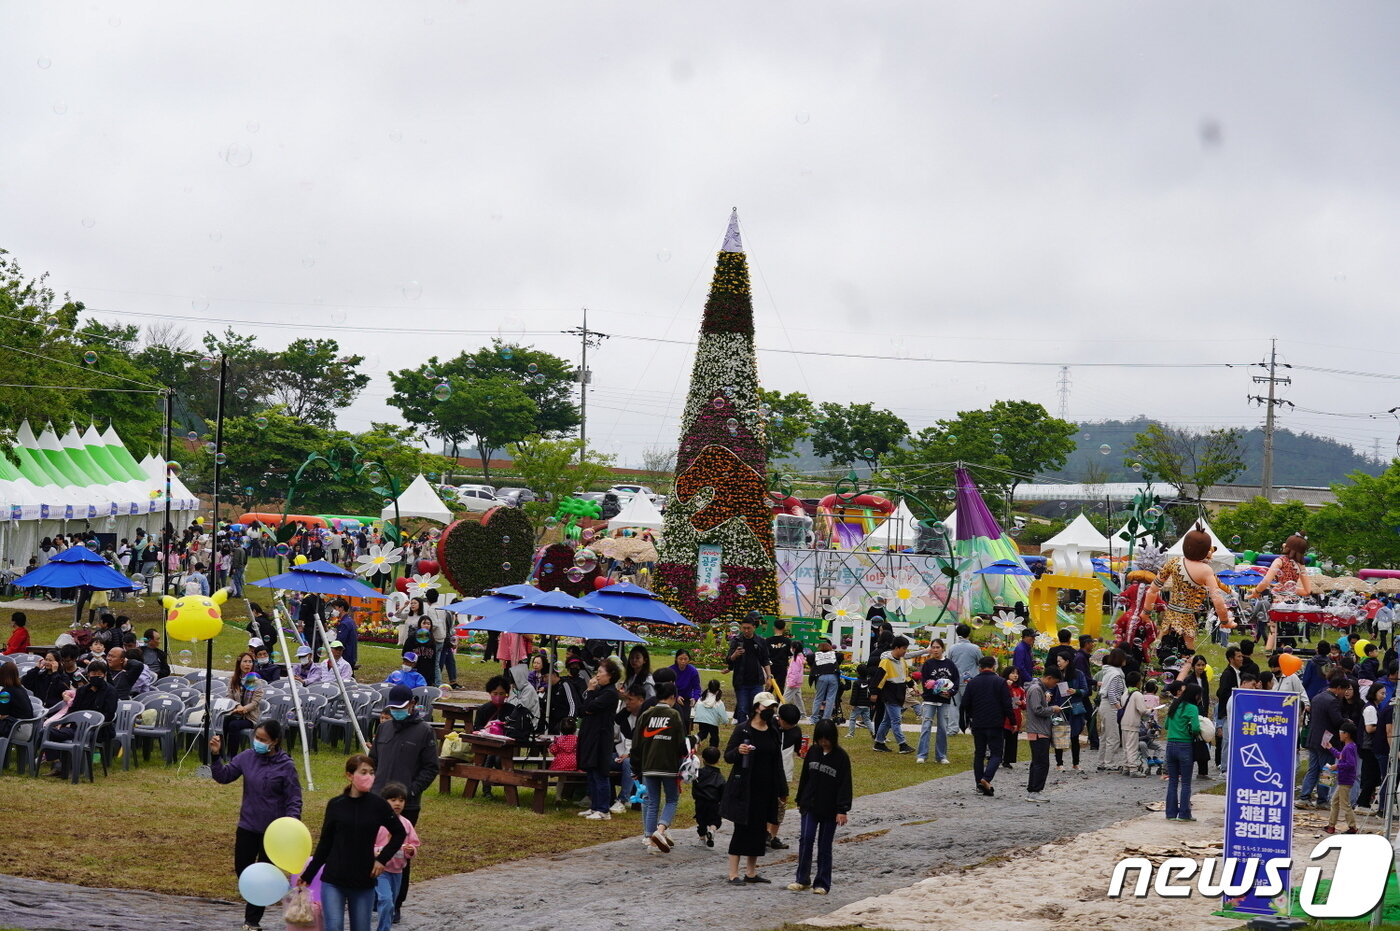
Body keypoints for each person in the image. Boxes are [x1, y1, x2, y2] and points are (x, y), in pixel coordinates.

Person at [209, 719, 302, 931]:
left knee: (262, 877)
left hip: (273, 833)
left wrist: (291, 824)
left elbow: (294, 798)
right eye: (256, 738)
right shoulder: (246, 757)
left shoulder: (286, 766)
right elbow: (224, 776)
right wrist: (216, 755)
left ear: (275, 741)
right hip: (248, 826)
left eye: (263, 739)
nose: (258, 742)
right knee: (243, 871)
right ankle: (262, 902)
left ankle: (252, 922)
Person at [301, 755, 408, 931]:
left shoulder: (379, 805)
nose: (369, 777)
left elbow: (399, 832)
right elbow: (325, 842)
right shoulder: (336, 805)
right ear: (350, 775)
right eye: (363, 772)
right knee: (333, 927)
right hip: (334, 879)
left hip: (363, 880)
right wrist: (308, 875)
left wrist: (382, 860)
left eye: (372, 773)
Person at [368, 685, 438, 920]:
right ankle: (375, 897)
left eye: (400, 708)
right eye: (393, 708)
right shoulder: (384, 728)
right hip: (378, 801)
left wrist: (411, 791)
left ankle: (396, 903)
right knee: (372, 850)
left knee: (399, 855)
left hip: (406, 806)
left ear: (411, 705)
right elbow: (373, 761)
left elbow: (431, 768)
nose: (396, 712)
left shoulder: (424, 731)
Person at [723, 691, 787, 884]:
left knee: (760, 830)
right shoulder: (743, 729)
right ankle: (733, 873)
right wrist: (738, 751)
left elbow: (777, 760)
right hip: (745, 787)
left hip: (766, 788)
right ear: (756, 707)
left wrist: (781, 786)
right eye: (766, 706)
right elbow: (727, 756)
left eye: (772, 707)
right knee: (742, 828)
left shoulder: (773, 730)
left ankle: (751, 872)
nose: (770, 710)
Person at [787, 718, 852, 895]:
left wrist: (842, 810)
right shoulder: (813, 752)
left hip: (830, 809)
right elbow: (805, 778)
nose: (824, 742)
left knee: (824, 845)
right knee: (806, 840)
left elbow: (845, 784)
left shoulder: (841, 757)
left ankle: (822, 882)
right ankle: (802, 879)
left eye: (827, 738)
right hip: (810, 805)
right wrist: (800, 799)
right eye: (820, 738)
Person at [1145, 526, 1234, 651]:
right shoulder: (1206, 570)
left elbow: (1152, 590)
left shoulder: (1173, 562)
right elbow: (1217, 600)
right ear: (1205, 550)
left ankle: (1156, 665)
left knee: (1160, 646)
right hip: (1188, 616)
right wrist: (1225, 621)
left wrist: (1146, 612)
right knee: (1188, 651)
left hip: (1170, 613)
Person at [632, 681, 685, 852]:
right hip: (669, 765)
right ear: (672, 697)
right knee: (671, 799)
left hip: (648, 765)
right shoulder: (675, 715)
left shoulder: (646, 714)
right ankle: (660, 830)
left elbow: (636, 744)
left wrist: (636, 767)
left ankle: (649, 838)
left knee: (652, 801)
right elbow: (681, 744)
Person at [373, 783, 421, 931]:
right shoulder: (377, 822)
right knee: (386, 901)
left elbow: (414, 844)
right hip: (381, 871)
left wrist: (410, 850)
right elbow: (367, 845)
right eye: (393, 800)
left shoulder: (406, 824)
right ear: (384, 802)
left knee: (390, 904)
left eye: (401, 800)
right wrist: (379, 852)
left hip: (398, 872)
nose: (398, 803)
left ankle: (378, 909)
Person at [578, 659, 623, 820]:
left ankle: (603, 809)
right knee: (591, 771)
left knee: (600, 773)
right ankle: (594, 806)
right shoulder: (600, 690)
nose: (597, 676)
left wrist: (590, 691)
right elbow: (583, 710)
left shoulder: (610, 693)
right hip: (591, 735)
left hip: (601, 737)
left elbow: (590, 707)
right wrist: (591, 695)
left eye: (600, 673)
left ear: (610, 675)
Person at [962, 655, 1013, 796]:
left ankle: (979, 784)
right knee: (997, 753)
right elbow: (1007, 704)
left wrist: (971, 716)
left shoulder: (972, 683)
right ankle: (986, 778)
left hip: (978, 723)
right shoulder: (1000, 682)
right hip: (996, 722)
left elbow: (965, 703)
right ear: (994, 667)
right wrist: (1013, 721)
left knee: (979, 753)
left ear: (979, 667)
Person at [1299, 675, 1348, 810]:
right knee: (1327, 770)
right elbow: (1337, 721)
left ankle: (1304, 797)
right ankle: (1322, 800)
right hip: (1327, 741)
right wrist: (1347, 721)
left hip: (1313, 739)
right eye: (1344, 690)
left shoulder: (1317, 697)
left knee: (1313, 769)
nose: (1345, 693)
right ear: (1338, 688)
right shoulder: (1333, 701)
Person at [870, 636, 924, 753]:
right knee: (896, 720)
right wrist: (874, 693)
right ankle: (902, 744)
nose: (905, 651)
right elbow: (878, 678)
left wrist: (913, 686)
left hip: (899, 694)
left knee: (887, 721)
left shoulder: (902, 661)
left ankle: (879, 743)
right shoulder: (885, 662)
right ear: (896, 647)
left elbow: (906, 677)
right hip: (889, 694)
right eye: (904, 648)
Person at [916, 638, 959, 764]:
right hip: (930, 700)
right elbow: (925, 683)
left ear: (942, 649)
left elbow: (956, 681)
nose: (935, 650)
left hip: (944, 701)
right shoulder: (928, 664)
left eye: (938, 647)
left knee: (942, 728)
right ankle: (922, 754)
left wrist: (950, 692)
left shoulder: (950, 664)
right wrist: (935, 689)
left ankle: (941, 756)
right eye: (933, 647)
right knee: (926, 727)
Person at [1164, 682, 1202, 822]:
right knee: (1186, 783)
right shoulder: (1192, 708)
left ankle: (1170, 813)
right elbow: (1197, 728)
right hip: (1185, 745)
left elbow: (1166, 725)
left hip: (1170, 745)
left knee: (1173, 781)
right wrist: (1190, 730)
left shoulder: (1174, 705)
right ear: (1196, 695)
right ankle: (1184, 814)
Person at [727, 614, 772, 724]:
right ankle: (743, 732)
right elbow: (728, 660)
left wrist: (769, 677)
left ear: (754, 627)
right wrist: (735, 654)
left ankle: (754, 730)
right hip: (741, 682)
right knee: (742, 709)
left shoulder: (760, 641)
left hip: (757, 682)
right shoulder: (737, 640)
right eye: (744, 628)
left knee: (756, 709)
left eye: (749, 628)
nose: (746, 631)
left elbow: (765, 660)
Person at [1022, 667, 1059, 802]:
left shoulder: (1037, 689)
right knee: (1041, 763)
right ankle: (1035, 791)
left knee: (1037, 762)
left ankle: (1032, 790)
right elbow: (1037, 710)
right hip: (1038, 731)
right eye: (1054, 682)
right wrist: (1052, 709)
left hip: (1038, 730)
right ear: (1048, 678)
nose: (1054, 685)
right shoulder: (1036, 689)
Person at [1052, 652, 1089, 773]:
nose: (1058, 663)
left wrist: (1076, 691)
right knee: (1059, 735)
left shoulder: (1078, 674)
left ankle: (1076, 763)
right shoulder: (1056, 674)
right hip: (1060, 707)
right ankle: (1059, 763)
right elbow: (1050, 688)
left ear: (1067, 661)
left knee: (1074, 736)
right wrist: (1048, 693)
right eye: (1057, 661)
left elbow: (1085, 690)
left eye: (1060, 661)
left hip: (1074, 708)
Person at [1249, 534, 1312, 602]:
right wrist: (1290, 589)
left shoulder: (1280, 561)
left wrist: (1256, 591)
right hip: (1294, 602)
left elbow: (1265, 582)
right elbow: (1307, 591)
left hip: (1279, 601)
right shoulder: (1300, 565)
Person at [1095, 649, 1128, 773]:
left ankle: (1101, 762)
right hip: (1110, 706)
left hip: (1105, 705)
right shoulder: (1116, 674)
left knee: (1104, 736)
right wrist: (1120, 708)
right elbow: (1112, 693)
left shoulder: (1109, 672)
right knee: (1113, 737)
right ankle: (1110, 763)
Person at [1325, 723, 1359, 835]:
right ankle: (1331, 826)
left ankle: (1352, 827)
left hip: (1345, 780)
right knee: (1334, 802)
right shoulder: (1349, 746)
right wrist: (1331, 748)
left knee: (1345, 804)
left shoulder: (1349, 747)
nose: (1339, 735)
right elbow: (1341, 756)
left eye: (1341, 732)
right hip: (1343, 780)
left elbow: (1351, 764)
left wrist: (1337, 766)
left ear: (1346, 734)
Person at [948, 623, 982, 732]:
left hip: (955, 680)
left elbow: (950, 663)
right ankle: (974, 726)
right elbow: (980, 662)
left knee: (954, 705)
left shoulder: (952, 648)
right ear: (969, 634)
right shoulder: (975, 648)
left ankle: (952, 729)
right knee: (973, 705)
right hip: (971, 681)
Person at [693, 745, 725, 847]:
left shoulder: (698, 774)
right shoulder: (720, 777)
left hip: (700, 802)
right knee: (715, 821)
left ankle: (702, 838)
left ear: (703, 759)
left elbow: (694, 786)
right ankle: (712, 830)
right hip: (714, 803)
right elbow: (723, 791)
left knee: (701, 821)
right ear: (717, 761)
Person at [1119, 670, 1149, 777]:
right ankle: (1133, 769)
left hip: (1124, 723)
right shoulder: (1137, 694)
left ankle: (1126, 767)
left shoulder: (1125, 693)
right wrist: (1151, 710)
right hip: (1132, 723)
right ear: (1138, 682)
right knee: (1132, 747)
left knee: (1126, 746)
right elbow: (1142, 710)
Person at [667, 649, 702, 729]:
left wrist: (695, 698)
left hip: (686, 699)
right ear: (676, 659)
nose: (683, 661)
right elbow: (667, 687)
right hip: (671, 698)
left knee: (685, 720)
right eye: (680, 659)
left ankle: (684, 737)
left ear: (689, 659)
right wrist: (676, 696)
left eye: (685, 659)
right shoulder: (671, 670)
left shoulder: (693, 671)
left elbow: (697, 687)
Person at [0, 661, 34, 738]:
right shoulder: (21, 689)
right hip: (30, 728)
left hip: (18, 729)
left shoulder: (5, 693)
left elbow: (3, 715)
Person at [810, 640, 840, 721]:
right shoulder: (833, 655)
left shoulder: (817, 655)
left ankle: (814, 718)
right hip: (833, 676)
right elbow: (841, 656)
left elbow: (809, 657)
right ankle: (826, 718)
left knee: (818, 698)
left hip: (821, 676)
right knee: (830, 698)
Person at [1001, 666, 1024, 769]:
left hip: (1016, 716)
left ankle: (1008, 760)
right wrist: (1008, 687)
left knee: (1012, 739)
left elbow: (1025, 703)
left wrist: (1021, 703)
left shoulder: (1020, 689)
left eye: (1017, 673)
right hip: (1004, 717)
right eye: (1012, 673)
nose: (1015, 675)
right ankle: (996, 758)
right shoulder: (1002, 686)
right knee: (1002, 738)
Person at [846, 663, 876, 739]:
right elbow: (871, 693)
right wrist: (872, 703)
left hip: (858, 705)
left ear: (857, 672)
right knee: (867, 720)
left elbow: (854, 695)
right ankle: (873, 732)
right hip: (867, 705)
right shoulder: (869, 682)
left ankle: (850, 734)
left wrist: (853, 704)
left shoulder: (857, 683)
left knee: (852, 719)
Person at [695, 680, 727, 748]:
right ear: (718, 689)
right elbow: (723, 714)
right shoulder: (718, 702)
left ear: (708, 688)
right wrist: (725, 721)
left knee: (703, 733)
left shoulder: (701, 699)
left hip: (702, 720)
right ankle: (713, 748)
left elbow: (696, 708)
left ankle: (694, 740)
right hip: (713, 722)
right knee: (714, 736)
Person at [783, 646, 807, 718]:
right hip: (798, 681)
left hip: (793, 682)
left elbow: (794, 672)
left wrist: (791, 683)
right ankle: (802, 713)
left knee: (785, 698)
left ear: (794, 649)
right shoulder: (800, 657)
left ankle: (780, 712)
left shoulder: (795, 659)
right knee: (798, 698)